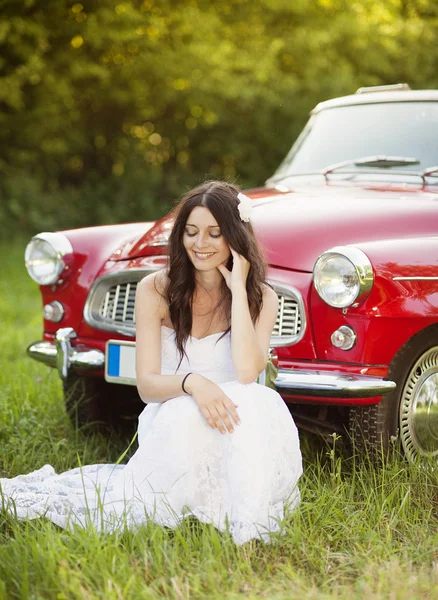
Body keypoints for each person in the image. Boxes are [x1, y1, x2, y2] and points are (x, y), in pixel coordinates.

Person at [0, 181, 302, 545]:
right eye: (191, 232)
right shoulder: (154, 289)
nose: (200, 244)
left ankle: (234, 511)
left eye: (213, 234)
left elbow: (246, 372)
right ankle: (190, 500)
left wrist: (238, 292)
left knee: (256, 400)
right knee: (187, 413)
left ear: (235, 239)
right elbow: (147, 386)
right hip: (174, 410)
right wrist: (193, 383)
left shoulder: (262, 297)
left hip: (235, 416)